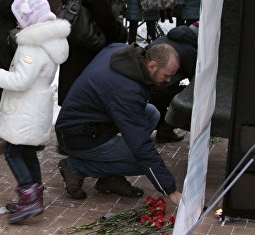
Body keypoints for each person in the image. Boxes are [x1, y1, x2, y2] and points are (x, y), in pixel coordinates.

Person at [0, 0, 70, 223]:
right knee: (26, 152)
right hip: (35, 107)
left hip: (25, 109)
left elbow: (20, 80)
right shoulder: (50, 40)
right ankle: (34, 193)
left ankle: (29, 197)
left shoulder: (32, 45)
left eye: (19, 21)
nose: (17, 25)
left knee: (13, 152)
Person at [55, 42, 182, 206]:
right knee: (141, 161)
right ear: (152, 65)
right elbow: (141, 147)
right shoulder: (126, 90)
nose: (169, 80)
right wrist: (170, 190)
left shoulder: (122, 51)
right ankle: (76, 167)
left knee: (151, 113)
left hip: (92, 120)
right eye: (166, 75)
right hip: (78, 135)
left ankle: (109, 178)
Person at [57, 0, 127, 106]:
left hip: (72, 37)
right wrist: (118, 34)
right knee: (89, 92)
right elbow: (104, 15)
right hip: (91, 41)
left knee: (72, 87)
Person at [149, 22, 198, 142]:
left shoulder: (164, 38)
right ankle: (165, 129)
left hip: (149, 84)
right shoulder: (190, 51)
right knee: (191, 98)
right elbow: (195, 81)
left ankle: (162, 129)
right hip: (161, 87)